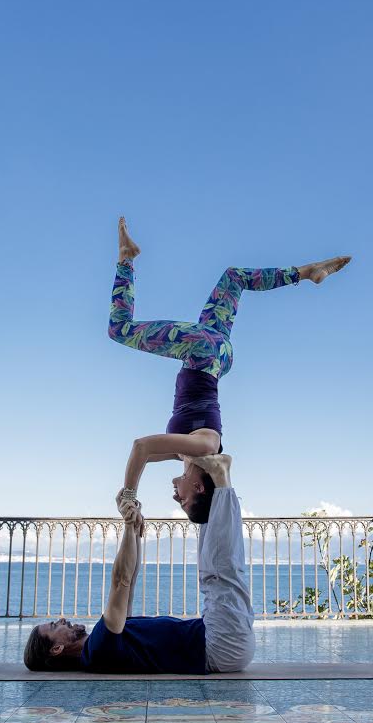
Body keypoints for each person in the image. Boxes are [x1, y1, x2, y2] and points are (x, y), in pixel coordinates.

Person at [108, 217, 350, 523]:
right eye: (181, 500)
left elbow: (144, 455)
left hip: (215, 352)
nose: (174, 494)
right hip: (201, 353)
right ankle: (126, 258)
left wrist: (131, 496)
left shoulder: (188, 454)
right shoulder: (204, 446)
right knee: (120, 329)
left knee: (234, 277)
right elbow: (140, 446)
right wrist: (129, 496)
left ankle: (306, 273)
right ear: (198, 487)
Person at [23, 453, 254, 674]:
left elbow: (129, 580)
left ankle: (219, 480)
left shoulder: (107, 642)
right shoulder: (99, 649)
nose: (62, 619)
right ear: (56, 649)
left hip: (219, 637)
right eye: (55, 626)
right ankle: (221, 479)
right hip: (220, 645)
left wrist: (134, 526)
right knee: (218, 575)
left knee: (213, 562)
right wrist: (126, 523)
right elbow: (120, 580)